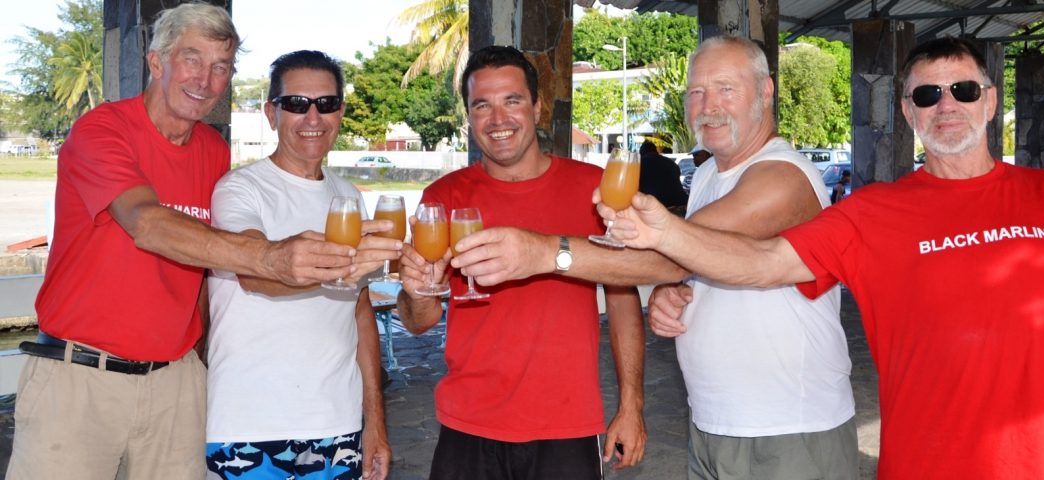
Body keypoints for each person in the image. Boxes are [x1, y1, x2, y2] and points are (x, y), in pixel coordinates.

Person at [600, 37, 1044, 479]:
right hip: (922, 467)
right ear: (907, 111)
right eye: (926, 95)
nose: (946, 106)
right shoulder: (875, 213)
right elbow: (765, 261)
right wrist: (670, 239)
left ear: (990, 101)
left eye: (964, 91)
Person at [9, 5, 395, 479]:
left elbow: (211, 272)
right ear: (156, 62)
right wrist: (271, 257)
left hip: (176, 381)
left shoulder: (214, 151)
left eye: (221, 67)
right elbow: (148, 224)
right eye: (192, 59)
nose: (206, 79)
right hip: (82, 376)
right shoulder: (102, 130)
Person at [449, 36, 857, 480]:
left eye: (726, 89)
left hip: (786, 428)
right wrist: (677, 291)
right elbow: (704, 257)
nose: (708, 105)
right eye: (697, 92)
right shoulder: (706, 175)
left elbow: (673, 254)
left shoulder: (784, 176)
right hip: (712, 423)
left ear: (765, 91)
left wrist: (548, 252)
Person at [394, 45, 647, 479]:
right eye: (482, 105)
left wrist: (631, 405)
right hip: (467, 424)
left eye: (512, 100)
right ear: (468, 117)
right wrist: (417, 291)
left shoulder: (594, 189)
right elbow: (419, 320)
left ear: (537, 105)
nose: (498, 119)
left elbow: (623, 299)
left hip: (566, 424)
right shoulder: (443, 198)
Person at [204, 51, 391, 480]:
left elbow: (359, 313)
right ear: (272, 113)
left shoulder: (348, 197)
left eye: (325, 104)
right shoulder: (240, 189)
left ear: (340, 113)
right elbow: (256, 274)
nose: (312, 117)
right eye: (295, 104)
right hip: (250, 426)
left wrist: (374, 422)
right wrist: (345, 264)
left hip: (340, 425)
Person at [637, 138, 688, 212]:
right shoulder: (671, 163)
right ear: (656, 151)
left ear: (641, 153)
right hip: (679, 204)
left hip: (655, 206)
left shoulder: (640, 164)